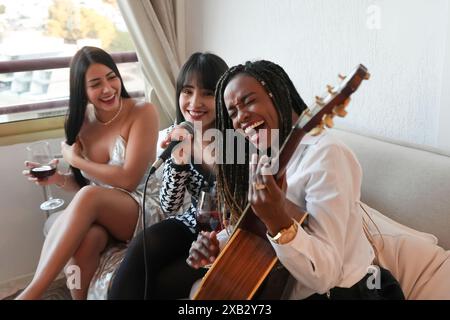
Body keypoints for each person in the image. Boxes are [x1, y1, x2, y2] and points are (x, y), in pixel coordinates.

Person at [187, 60, 405, 299]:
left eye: (248, 101)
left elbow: (326, 276)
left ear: (279, 94)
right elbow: (255, 226)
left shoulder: (327, 154)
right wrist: (217, 245)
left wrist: (278, 218)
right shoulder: (267, 158)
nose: (240, 118)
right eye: (233, 113)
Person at [18, 46, 159, 300]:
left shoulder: (142, 112)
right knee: (86, 241)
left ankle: (31, 294)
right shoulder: (82, 123)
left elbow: (128, 179)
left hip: (144, 206)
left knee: (88, 196)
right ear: (81, 90)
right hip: (103, 211)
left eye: (111, 77)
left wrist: (77, 161)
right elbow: (89, 182)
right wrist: (59, 178)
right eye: (95, 83)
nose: (107, 88)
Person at [108, 52, 229, 299]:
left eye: (207, 93)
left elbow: (233, 198)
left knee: (161, 283)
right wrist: (178, 160)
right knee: (142, 247)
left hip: (226, 233)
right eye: (187, 91)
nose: (195, 102)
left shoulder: (236, 139)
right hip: (194, 221)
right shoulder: (179, 135)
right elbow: (170, 205)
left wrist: (201, 149)